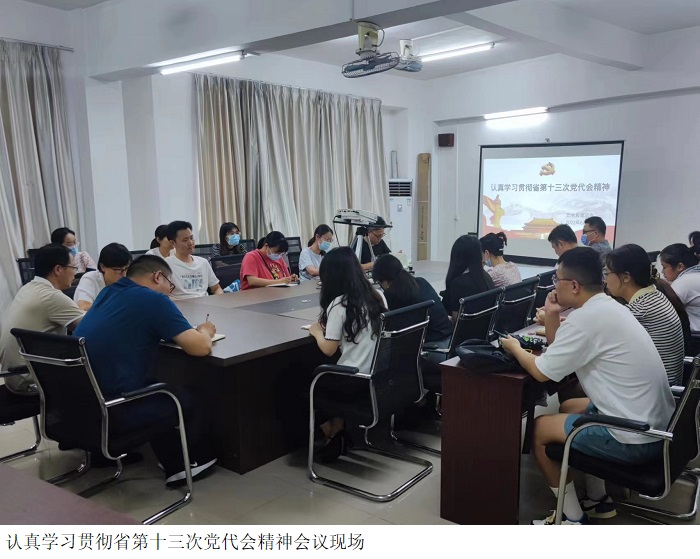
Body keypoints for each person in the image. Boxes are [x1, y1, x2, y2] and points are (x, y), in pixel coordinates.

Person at [500, 247, 674, 525]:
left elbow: (543, 372)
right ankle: (598, 499)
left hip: (636, 438)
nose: (554, 285)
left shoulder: (585, 320)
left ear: (574, 286)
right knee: (570, 405)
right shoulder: (608, 306)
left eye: (556, 279)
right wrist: (553, 314)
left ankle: (572, 518)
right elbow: (559, 354)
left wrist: (514, 347)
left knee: (539, 430)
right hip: (656, 425)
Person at [74, 255, 217, 486]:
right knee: (190, 395)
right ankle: (183, 466)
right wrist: (205, 330)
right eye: (170, 285)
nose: (169, 292)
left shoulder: (107, 293)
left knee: (155, 380)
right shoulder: (154, 299)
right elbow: (200, 348)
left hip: (82, 406)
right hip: (116, 407)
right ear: (158, 277)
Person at [308, 247, 387, 461]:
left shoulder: (339, 304)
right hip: (378, 375)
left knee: (305, 382)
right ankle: (338, 429)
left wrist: (316, 332)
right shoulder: (377, 295)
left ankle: (331, 431)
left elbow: (329, 349)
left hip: (354, 380)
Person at [0, 244, 84, 394]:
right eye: (73, 268)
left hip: (14, 376)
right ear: (58, 270)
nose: (74, 274)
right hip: (32, 380)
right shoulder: (51, 297)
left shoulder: (27, 288)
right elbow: (90, 327)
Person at [604, 244, 688, 386]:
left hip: (651, 391)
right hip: (665, 385)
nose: (605, 280)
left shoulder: (639, 310)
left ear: (626, 277)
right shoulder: (656, 295)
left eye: (607, 274)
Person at [372, 254, 452, 346]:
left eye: (379, 283)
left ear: (386, 281)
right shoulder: (421, 282)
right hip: (449, 340)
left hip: (432, 345)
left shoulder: (391, 295)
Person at [165, 220, 223, 300]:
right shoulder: (166, 265)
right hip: (182, 305)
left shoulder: (203, 262)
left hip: (206, 304)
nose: (191, 242)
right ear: (172, 243)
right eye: (185, 240)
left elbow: (216, 288)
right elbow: (163, 295)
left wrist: (218, 301)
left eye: (191, 238)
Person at [441, 235, 495, 320]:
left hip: (465, 328)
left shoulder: (458, 284)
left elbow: (456, 320)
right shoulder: (487, 278)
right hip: (485, 327)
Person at [74, 243, 133, 311]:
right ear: (103, 267)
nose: (124, 274)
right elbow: (84, 307)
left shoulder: (129, 280)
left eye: (126, 268)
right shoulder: (90, 279)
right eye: (118, 270)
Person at [659, 243, 700, 330]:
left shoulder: (684, 282)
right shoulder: (695, 274)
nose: (662, 272)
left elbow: (663, 311)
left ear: (680, 267)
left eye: (664, 267)